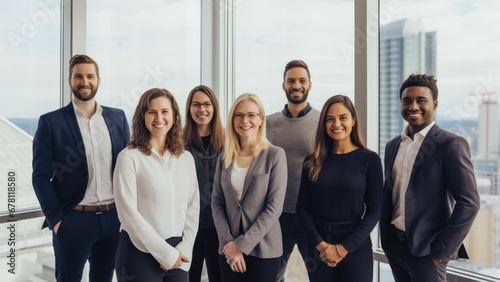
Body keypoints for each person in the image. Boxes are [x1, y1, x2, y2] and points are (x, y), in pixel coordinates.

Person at [32, 54, 130, 282]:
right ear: (69, 80)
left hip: (113, 219)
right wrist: (56, 220)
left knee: (104, 278)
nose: (84, 82)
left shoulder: (118, 117)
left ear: (98, 80)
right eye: (78, 76)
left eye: (89, 76)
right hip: (73, 221)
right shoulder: (50, 122)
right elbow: (40, 176)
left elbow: (128, 166)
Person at [380, 74, 480, 282]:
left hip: (427, 252)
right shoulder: (392, 145)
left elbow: (469, 203)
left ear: (434, 104)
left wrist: (439, 252)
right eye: (407, 101)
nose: (413, 106)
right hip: (395, 247)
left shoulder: (451, 145)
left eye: (421, 100)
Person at [113, 88, 200, 282]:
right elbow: (128, 215)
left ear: (174, 116)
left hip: (179, 254)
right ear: (142, 116)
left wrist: (183, 249)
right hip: (139, 254)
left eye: (164, 111)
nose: (159, 118)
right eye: (152, 112)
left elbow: (193, 208)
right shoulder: (128, 157)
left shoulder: (185, 158)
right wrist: (165, 254)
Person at [296, 95, 383, 281]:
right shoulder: (312, 161)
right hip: (319, 247)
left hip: (355, 245)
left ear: (353, 120)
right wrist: (322, 246)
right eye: (330, 119)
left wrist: (342, 249)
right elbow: (301, 207)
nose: (337, 123)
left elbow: (375, 211)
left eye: (342, 117)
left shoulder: (370, 160)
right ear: (324, 124)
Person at [211, 93, 287, 282]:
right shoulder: (224, 157)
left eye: (251, 115)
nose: (245, 120)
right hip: (228, 249)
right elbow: (217, 202)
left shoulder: (275, 155)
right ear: (232, 120)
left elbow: (274, 208)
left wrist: (241, 246)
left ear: (261, 119)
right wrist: (229, 243)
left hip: (264, 249)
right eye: (239, 115)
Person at [266, 59, 320, 281]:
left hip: (312, 215)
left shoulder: (322, 122)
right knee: (272, 276)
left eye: (301, 81)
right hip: (276, 215)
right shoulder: (267, 123)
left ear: (309, 85)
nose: (296, 85)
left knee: (318, 276)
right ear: (283, 85)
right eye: (291, 81)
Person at [182, 85, 224, 282]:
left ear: (214, 108)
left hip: (220, 224)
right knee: (190, 276)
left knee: (219, 276)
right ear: (189, 109)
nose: (202, 109)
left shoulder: (228, 140)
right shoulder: (178, 142)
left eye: (207, 104)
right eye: (196, 104)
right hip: (189, 224)